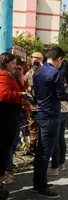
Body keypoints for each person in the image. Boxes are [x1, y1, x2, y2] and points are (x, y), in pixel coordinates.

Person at [32, 47, 68, 198]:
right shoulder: (54, 73)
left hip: (42, 113)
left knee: (42, 150)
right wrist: (67, 93)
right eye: (62, 60)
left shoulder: (39, 71)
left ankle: (39, 182)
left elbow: (35, 92)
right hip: (50, 115)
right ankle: (40, 186)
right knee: (45, 153)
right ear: (59, 59)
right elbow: (60, 94)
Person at [0, 53, 27, 185]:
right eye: (12, 64)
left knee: (9, 144)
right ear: (5, 63)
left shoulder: (10, 76)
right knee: (4, 145)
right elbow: (4, 95)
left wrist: (20, 75)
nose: (14, 66)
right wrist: (20, 94)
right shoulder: (3, 76)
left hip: (12, 115)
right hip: (6, 116)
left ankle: (4, 172)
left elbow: (22, 87)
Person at [24, 52, 44, 155]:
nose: (34, 60)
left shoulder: (45, 72)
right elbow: (24, 85)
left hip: (42, 104)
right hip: (32, 103)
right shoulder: (29, 73)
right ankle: (32, 147)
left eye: (36, 59)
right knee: (32, 126)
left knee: (41, 127)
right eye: (33, 58)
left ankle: (41, 148)